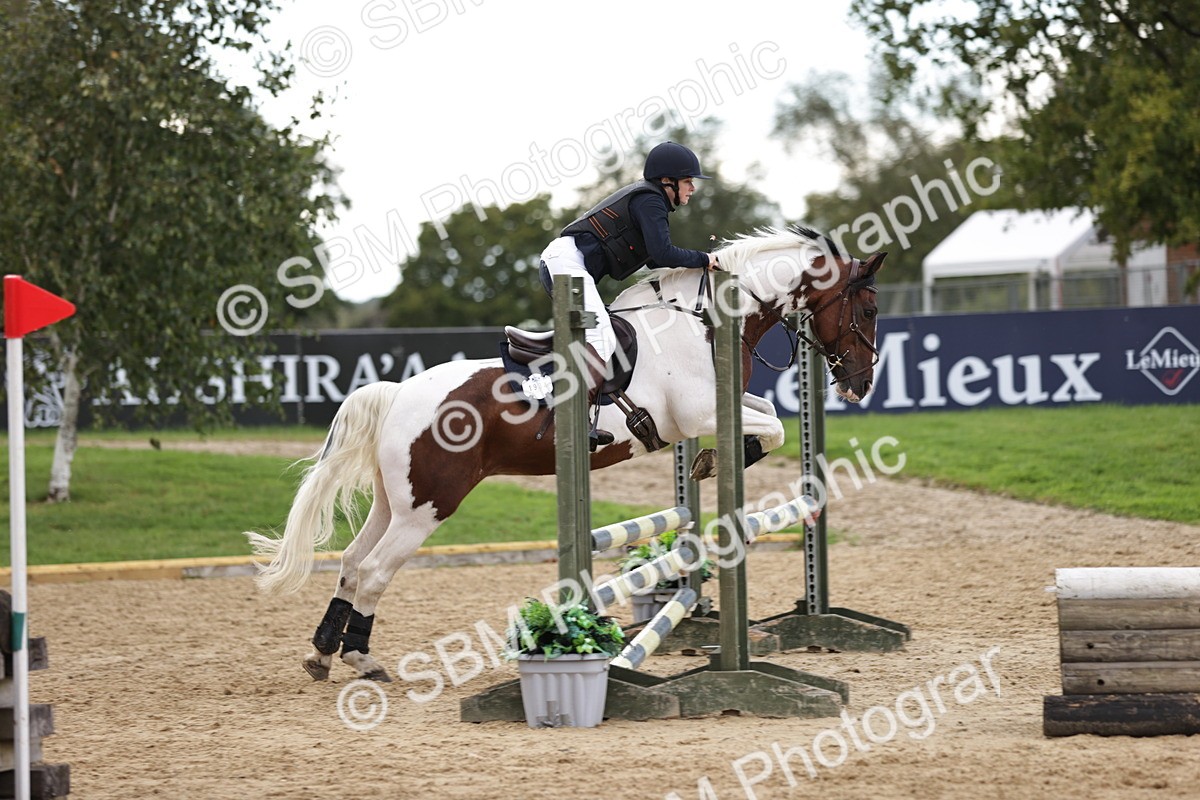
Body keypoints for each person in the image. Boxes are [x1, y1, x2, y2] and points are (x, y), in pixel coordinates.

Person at [539, 141, 719, 446]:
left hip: (568, 264)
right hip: (566, 264)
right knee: (602, 337)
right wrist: (704, 259)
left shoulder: (649, 199)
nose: (692, 188)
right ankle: (574, 420)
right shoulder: (651, 200)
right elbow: (662, 255)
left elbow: (651, 258)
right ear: (667, 181)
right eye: (688, 181)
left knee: (603, 333)